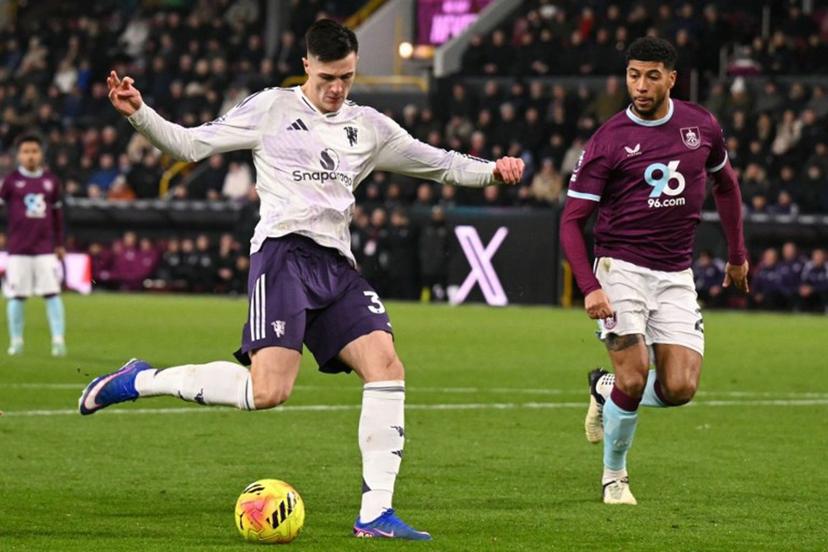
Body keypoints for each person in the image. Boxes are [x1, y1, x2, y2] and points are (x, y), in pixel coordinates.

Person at [78, 19, 524, 540]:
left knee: (386, 367)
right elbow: (188, 146)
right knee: (269, 392)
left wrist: (492, 170)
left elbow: (438, 163)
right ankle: (139, 380)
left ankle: (375, 514)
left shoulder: (369, 126)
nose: (337, 89)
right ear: (306, 65)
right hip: (283, 256)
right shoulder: (271, 107)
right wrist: (141, 115)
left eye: (348, 78)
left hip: (337, 266)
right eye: (328, 78)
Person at [560, 37, 749, 506]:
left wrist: (737, 254)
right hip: (620, 268)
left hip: (675, 273)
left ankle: (603, 391)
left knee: (680, 388)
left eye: (650, 76)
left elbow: (727, 186)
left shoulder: (700, 125)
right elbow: (571, 221)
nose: (639, 86)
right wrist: (589, 286)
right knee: (633, 377)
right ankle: (614, 477)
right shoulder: (608, 139)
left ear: (671, 78)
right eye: (632, 75)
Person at [0, 134, 67, 356]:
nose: (30, 156)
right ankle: (16, 341)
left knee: (52, 293)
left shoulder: (51, 181)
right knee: (16, 295)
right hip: (18, 248)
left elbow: (57, 215)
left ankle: (58, 340)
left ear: (41, 154)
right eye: (26, 151)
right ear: (18, 155)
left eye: (34, 151)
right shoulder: (10, 182)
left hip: (45, 248)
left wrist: (59, 243)